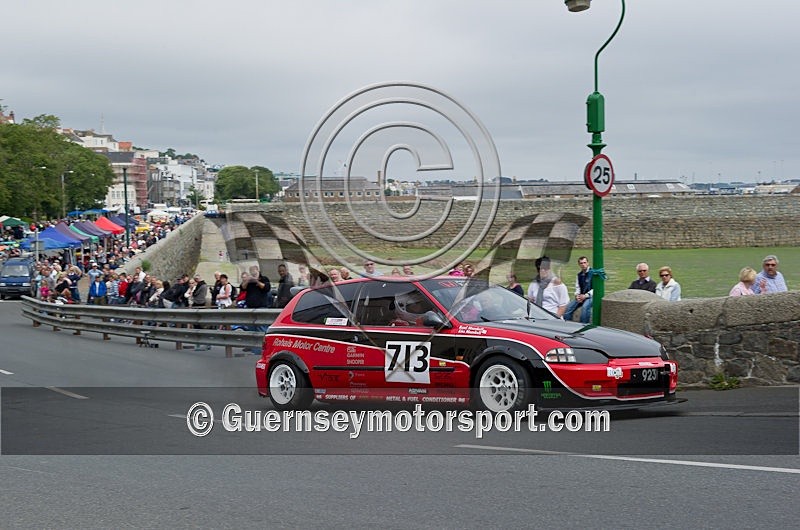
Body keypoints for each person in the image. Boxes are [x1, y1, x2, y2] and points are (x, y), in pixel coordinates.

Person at [563, 256, 592, 324]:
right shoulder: (579, 275)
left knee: (585, 308)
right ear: (579, 265)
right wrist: (577, 295)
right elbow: (577, 287)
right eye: (581, 263)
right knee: (568, 308)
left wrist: (586, 295)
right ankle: (567, 325)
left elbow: (596, 289)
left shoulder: (593, 273)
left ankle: (584, 326)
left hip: (591, 296)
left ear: (588, 263)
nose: (583, 264)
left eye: (585, 262)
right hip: (581, 296)